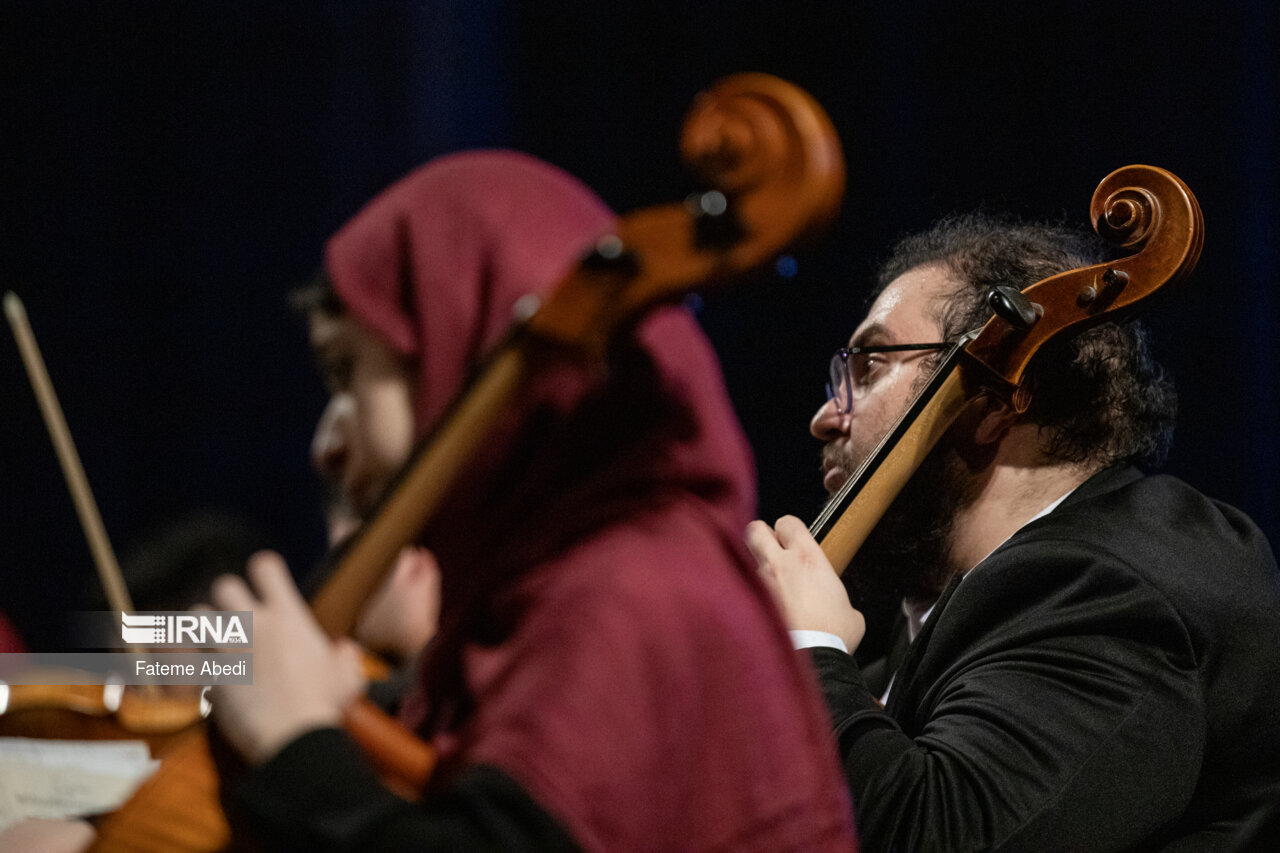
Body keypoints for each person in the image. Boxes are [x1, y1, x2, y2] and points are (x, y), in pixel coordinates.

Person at [205, 150, 857, 851]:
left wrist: (297, 743)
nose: (323, 445)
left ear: (464, 336)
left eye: (347, 371)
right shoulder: (540, 599)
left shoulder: (637, 587)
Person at [747, 213, 1280, 851]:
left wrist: (806, 648)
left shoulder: (1106, 589)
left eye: (866, 369)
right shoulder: (930, 623)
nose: (824, 417)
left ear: (993, 403)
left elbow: (936, 834)